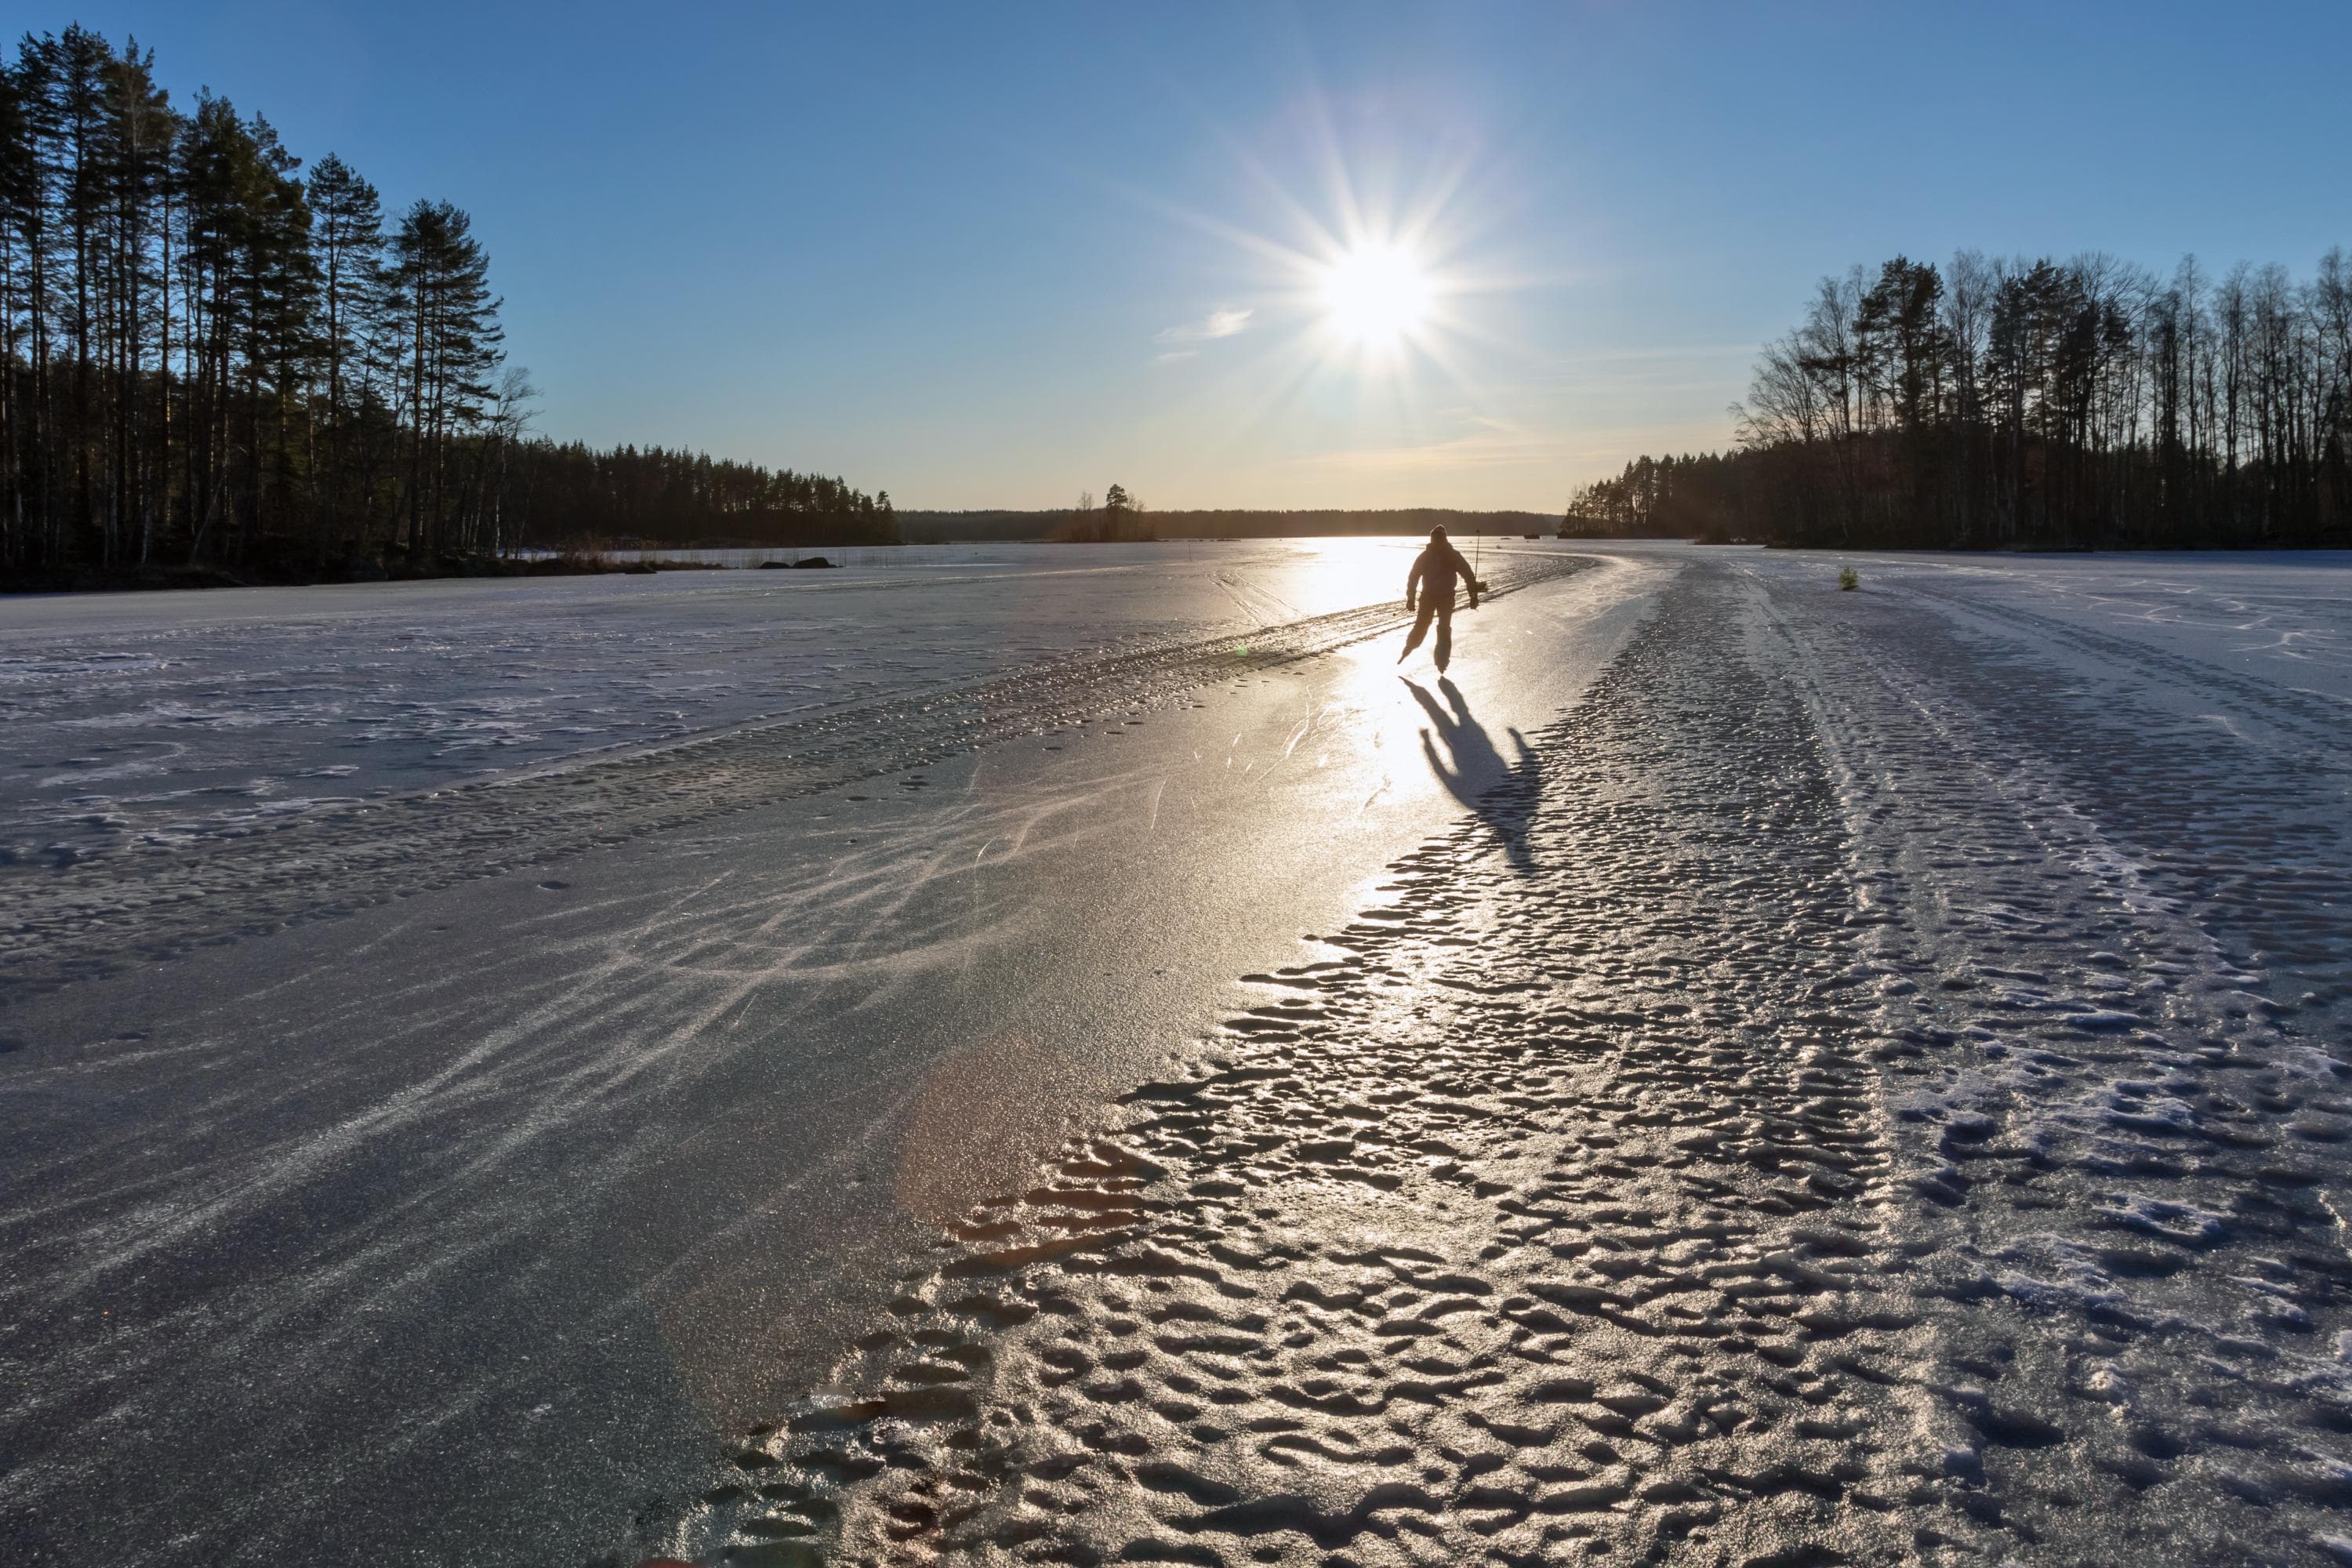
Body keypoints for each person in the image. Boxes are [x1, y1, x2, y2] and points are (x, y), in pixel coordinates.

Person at [1398, 526, 1482, 672]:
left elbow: (1468, 575)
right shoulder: (1429, 556)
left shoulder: (1450, 556)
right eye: (1435, 539)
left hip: (1445, 598)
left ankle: (1441, 660)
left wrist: (1473, 596)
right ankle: (1412, 647)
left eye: (1439, 539)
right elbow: (1413, 578)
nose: (1437, 542)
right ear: (1433, 539)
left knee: (1440, 628)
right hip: (1430, 597)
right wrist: (1410, 598)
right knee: (1425, 626)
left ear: (1443, 539)